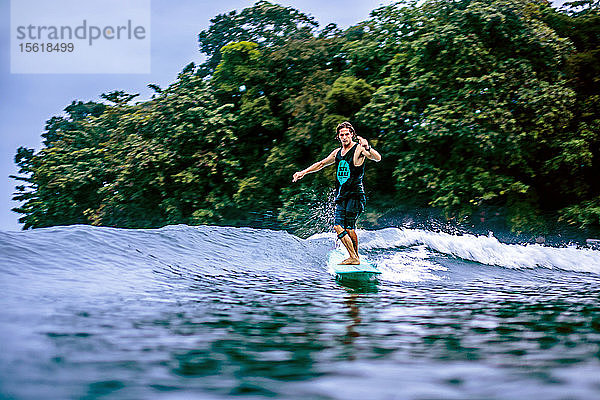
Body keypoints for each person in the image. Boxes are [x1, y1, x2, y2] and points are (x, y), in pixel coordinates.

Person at [292, 121, 381, 265]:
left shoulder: (358, 149)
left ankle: (354, 257)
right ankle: (354, 257)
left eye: (347, 134)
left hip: (355, 195)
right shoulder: (337, 153)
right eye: (342, 135)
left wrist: (367, 147)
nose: (345, 137)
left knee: (347, 227)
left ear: (352, 134)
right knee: (339, 226)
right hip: (342, 195)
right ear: (338, 137)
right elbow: (321, 164)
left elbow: (377, 158)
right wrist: (304, 172)